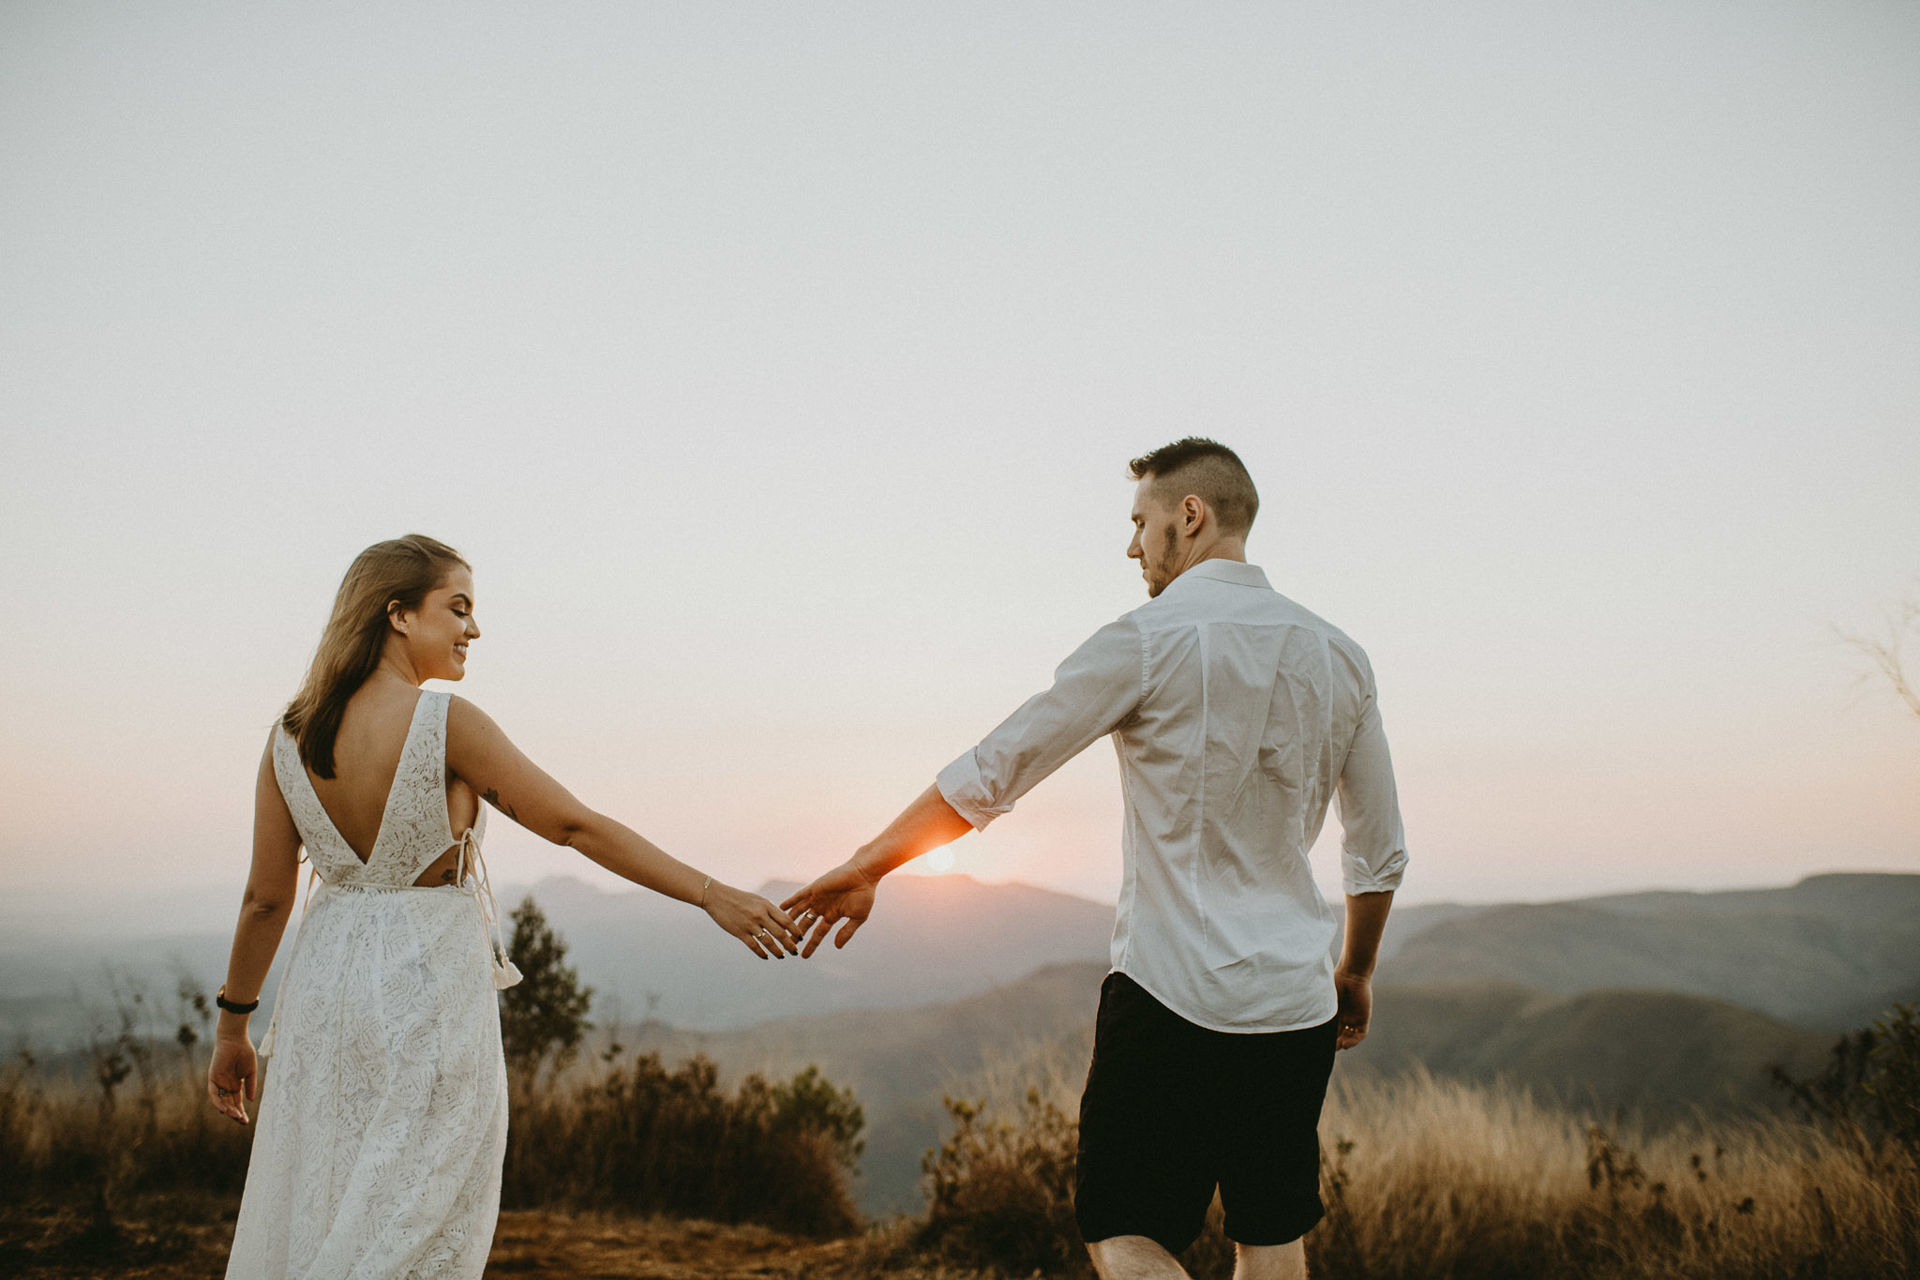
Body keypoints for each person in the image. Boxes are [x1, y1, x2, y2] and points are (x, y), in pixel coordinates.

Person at [783, 439, 1408, 1280]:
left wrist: (870, 863)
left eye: (1141, 522)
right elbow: (1377, 851)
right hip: (1293, 1007)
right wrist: (1355, 972)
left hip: (1168, 994)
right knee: (1271, 1234)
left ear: (1190, 517)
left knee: (1124, 1230)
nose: (1132, 547)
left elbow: (997, 767)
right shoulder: (1341, 656)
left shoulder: (1146, 640)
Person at [208, 534, 804, 1279]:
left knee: (326, 1202)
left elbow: (266, 900)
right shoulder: (446, 723)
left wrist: (233, 1027)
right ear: (397, 615)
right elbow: (573, 825)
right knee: (419, 1213)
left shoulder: (288, 739)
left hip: (327, 999)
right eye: (457, 609)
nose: (474, 630)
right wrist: (711, 894)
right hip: (425, 994)